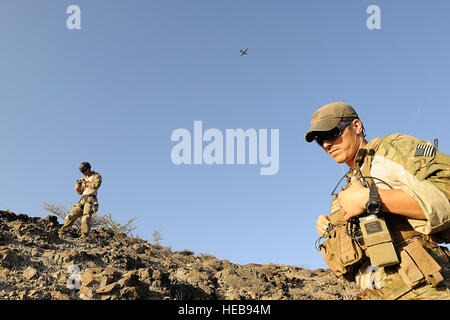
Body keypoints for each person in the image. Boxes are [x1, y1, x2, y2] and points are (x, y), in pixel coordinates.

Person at [305, 102, 450, 300]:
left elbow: (445, 189)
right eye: (320, 140)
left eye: (331, 134)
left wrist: (371, 198)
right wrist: (332, 231)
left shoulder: (390, 150)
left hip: (427, 286)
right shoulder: (348, 187)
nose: (326, 145)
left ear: (356, 126)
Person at [59, 162, 102, 238]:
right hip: (83, 198)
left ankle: (84, 237)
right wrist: (78, 184)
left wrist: (85, 183)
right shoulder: (84, 178)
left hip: (91, 198)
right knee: (70, 216)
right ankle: (63, 233)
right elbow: (79, 192)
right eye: (82, 171)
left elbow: (95, 185)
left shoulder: (96, 176)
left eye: (84, 170)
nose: (83, 173)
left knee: (85, 218)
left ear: (88, 169)